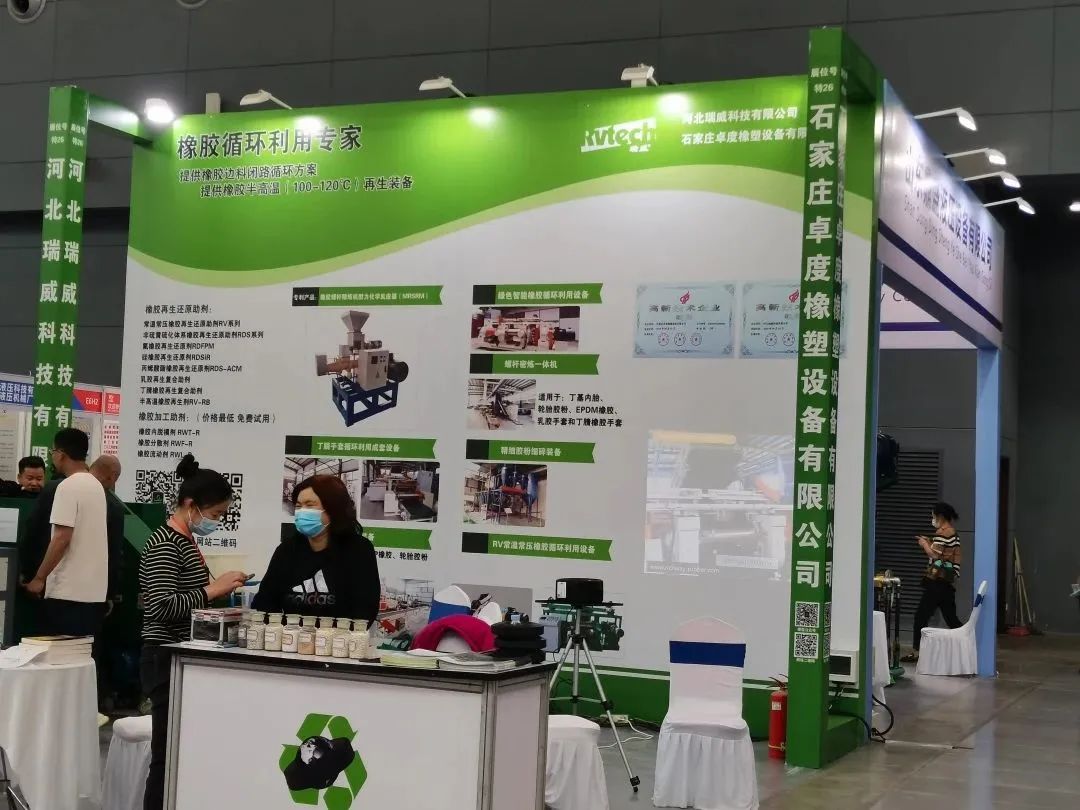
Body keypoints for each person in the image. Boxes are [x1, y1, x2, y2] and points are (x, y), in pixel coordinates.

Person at [140, 454, 248, 810]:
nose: (217, 521)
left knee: (181, 751)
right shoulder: (165, 543)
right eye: (215, 514)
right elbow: (161, 606)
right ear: (190, 505)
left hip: (180, 655)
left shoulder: (186, 542)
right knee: (166, 754)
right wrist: (213, 590)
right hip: (164, 656)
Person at [254, 475, 380, 625]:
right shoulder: (286, 550)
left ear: (333, 509)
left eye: (310, 505)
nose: (302, 512)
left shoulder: (359, 550)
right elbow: (265, 602)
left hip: (340, 637)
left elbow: (365, 610)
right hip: (292, 637)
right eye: (298, 506)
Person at [23, 428, 109, 636]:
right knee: (80, 653)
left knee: (58, 653)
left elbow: (62, 537)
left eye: (53, 451)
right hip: (93, 594)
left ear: (61, 454)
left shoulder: (67, 487)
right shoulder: (97, 486)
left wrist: (39, 578)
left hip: (66, 593)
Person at [903, 502, 963, 663]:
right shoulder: (952, 532)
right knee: (951, 619)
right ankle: (967, 646)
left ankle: (917, 651)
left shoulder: (944, 532)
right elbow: (943, 553)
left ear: (940, 516)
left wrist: (924, 545)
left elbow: (935, 555)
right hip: (945, 583)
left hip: (937, 582)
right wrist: (929, 541)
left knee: (920, 616)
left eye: (933, 516)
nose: (933, 519)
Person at [89, 455, 125, 609]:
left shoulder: (64, 489)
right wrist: (110, 594)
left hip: (58, 586)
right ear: (112, 476)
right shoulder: (113, 506)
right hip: (93, 589)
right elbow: (113, 552)